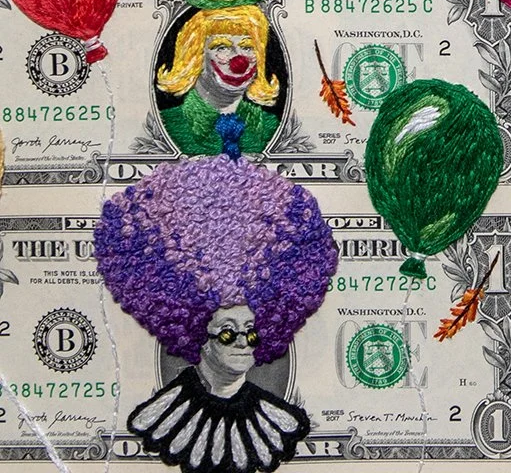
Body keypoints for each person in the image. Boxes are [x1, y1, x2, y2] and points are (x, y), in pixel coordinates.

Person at [96, 156, 337, 473]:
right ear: (198, 337)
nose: (243, 343)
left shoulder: (278, 419)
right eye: (227, 333)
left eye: (251, 332)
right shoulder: (163, 413)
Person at [156, 0, 282, 157]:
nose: (239, 61)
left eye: (248, 47)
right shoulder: (169, 124)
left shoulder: (269, 126)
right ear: (195, 55)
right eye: (222, 47)